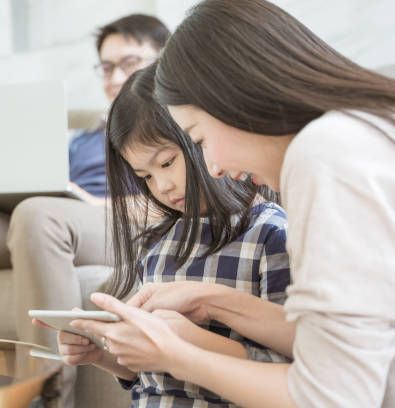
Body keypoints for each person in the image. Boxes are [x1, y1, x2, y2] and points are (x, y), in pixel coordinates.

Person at [72, 1, 395, 407]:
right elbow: (340, 338)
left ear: (234, 98)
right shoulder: (371, 132)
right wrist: (211, 300)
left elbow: (333, 396)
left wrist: (174, 355)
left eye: (198, 139)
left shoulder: (325, 155)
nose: (215, 167)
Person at [0, 13, 170, 406]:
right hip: (54, 214)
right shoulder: (84, 138)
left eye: (129, 63)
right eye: (106, 67)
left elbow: (173, 198)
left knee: (39, 215)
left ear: (164, 60)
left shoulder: (173, 122)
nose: (112, 78)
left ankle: (48, 395)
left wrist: (91, 203)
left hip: (119, 219)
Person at [36, 63, 291, 407]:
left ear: (200, 137)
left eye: (167, 163)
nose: (162, 186)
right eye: (145, 177)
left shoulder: (269, 235)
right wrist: (101, 353)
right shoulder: (157, 245)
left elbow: (290, 370)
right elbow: (147, 376)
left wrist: (188, 343)